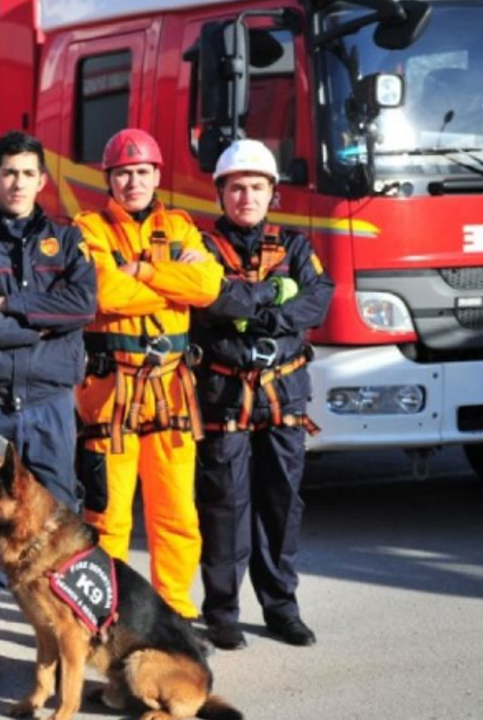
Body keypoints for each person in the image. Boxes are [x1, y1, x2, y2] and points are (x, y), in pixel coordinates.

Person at [0, 130, 97, 690]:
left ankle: (67, 652)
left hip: (50, 408)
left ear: (42, 180)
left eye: (27, 173)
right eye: (8, 172)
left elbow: (82, 304)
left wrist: (9, 305)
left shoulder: (68, 240)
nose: (17, 182)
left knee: (60, 526)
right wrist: (41, 327)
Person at [72, 129, 223, 621]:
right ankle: (108, 614)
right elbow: (104, 294)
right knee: (108, 516)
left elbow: (206, 285)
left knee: (176, 512)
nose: (132, 181)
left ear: (157, 175)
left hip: (172, 391)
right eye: (123, 173)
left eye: (141, 172)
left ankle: (175, 612)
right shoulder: (88, 229)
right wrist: (168, 278)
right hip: (110, 392)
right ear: (108, 178)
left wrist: (140, 271)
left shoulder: (180, 226)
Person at [191, 139, 333, 650]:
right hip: (226, 396)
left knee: (280, 505)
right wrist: (273, 293)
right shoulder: (203, 250)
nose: (246, 196)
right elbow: (210, 300)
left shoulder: (295, 247)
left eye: (256, 187)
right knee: (224, 506)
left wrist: (256, 313)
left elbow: (317, 300)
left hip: (284, 399)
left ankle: (281, 608)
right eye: (236, 188)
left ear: (272, 192)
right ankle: (223, 612)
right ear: (221, 194)